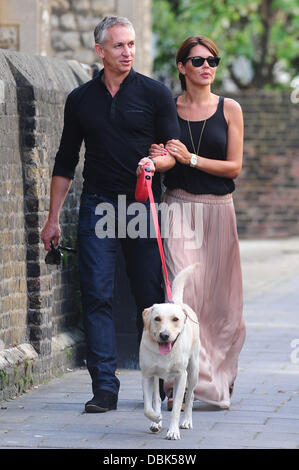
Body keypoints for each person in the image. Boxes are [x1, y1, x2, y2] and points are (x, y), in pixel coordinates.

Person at [41, 16, 180, 413]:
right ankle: (105, 387)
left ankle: (159, 384)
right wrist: (53, 219)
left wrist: (157, 165)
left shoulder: (156, 94)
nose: (128, 52)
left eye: (132, 45)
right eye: (119, 46)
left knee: (151, 298)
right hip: (98, 205)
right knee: (97, 295)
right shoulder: (81, 99)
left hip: (142, 206)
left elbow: (173, 152)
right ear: (100, 51)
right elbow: (65, 161)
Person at [140, 35, 246, 409]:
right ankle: (181, 384)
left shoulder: (230, 108)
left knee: (222, 303)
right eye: (198, 61)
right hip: (180, 208)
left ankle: (220, 375)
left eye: (213, 61)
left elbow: (234, 166)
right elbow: (166, 156)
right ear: (182, 67)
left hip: (220, 210)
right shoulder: (168, 108)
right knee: (183, 293)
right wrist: (162, 158)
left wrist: (191, 158)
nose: (207, 67)